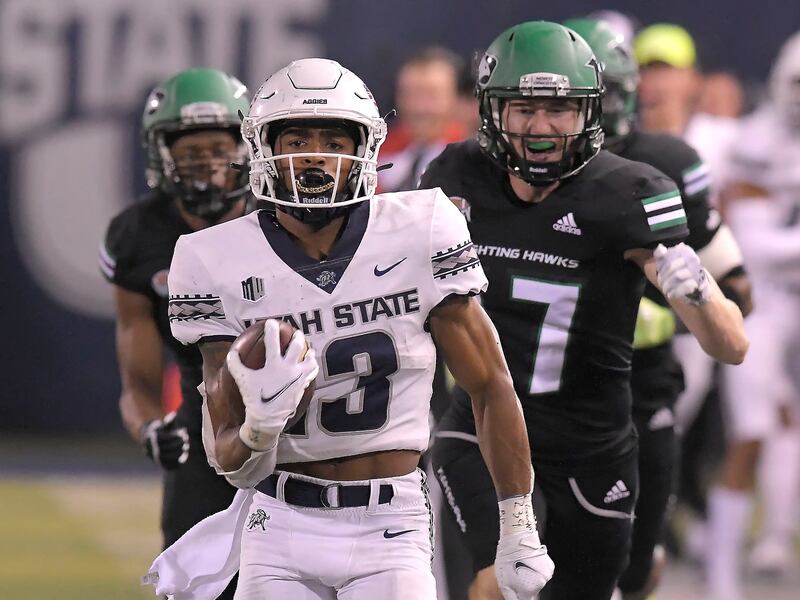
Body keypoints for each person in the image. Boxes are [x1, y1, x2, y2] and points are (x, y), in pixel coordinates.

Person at [146, 57, 554, 600]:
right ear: (265, 148)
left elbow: (489, 385)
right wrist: (258, 429)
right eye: (298, 138)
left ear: (363, 149)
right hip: (279, 517)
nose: (316, 155)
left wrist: (517, 523)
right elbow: (228, 460)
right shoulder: (212, 257)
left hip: (393, 522)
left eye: (334, 140)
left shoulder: (421, 228)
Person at [423, 21, 748, 600]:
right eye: (523, 108)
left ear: (589, 113)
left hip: (592, 442)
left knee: (601, 584)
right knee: (502, 580)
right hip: (481, 426)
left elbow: (732, 346)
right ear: (491, 110)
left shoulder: (631, 191)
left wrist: (695, 289)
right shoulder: (455, 175)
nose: (541, 128)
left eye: (560, 110)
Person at [562, 18, 753, 600]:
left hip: (641, 376)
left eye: (610, 96)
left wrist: (676, 284)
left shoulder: (662, 161)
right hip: (541, 386)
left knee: (637, 566)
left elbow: (738, 289)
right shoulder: (500, 177)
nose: (560, 123)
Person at [100, 67, 252, 599]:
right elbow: (137, 386)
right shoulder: (139, 236)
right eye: (190, 153)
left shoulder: (286, 215)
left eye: (219, 147)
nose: (207, 165)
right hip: (204, 417)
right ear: (162, 158)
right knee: (191, 589)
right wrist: (150, 429)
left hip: (304, 418)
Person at [704, 30, 800, 600]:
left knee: (786, 422)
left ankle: (776, 536)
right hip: (762, 301)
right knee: (751, 432)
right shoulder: (758, 139)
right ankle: (720, 582)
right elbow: (757, 245)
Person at [379, 47, 467, 192]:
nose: (419, 108)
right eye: (409, 94)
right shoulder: (379, 152)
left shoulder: (471, 159)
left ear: (456, 99)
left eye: (431, 96)